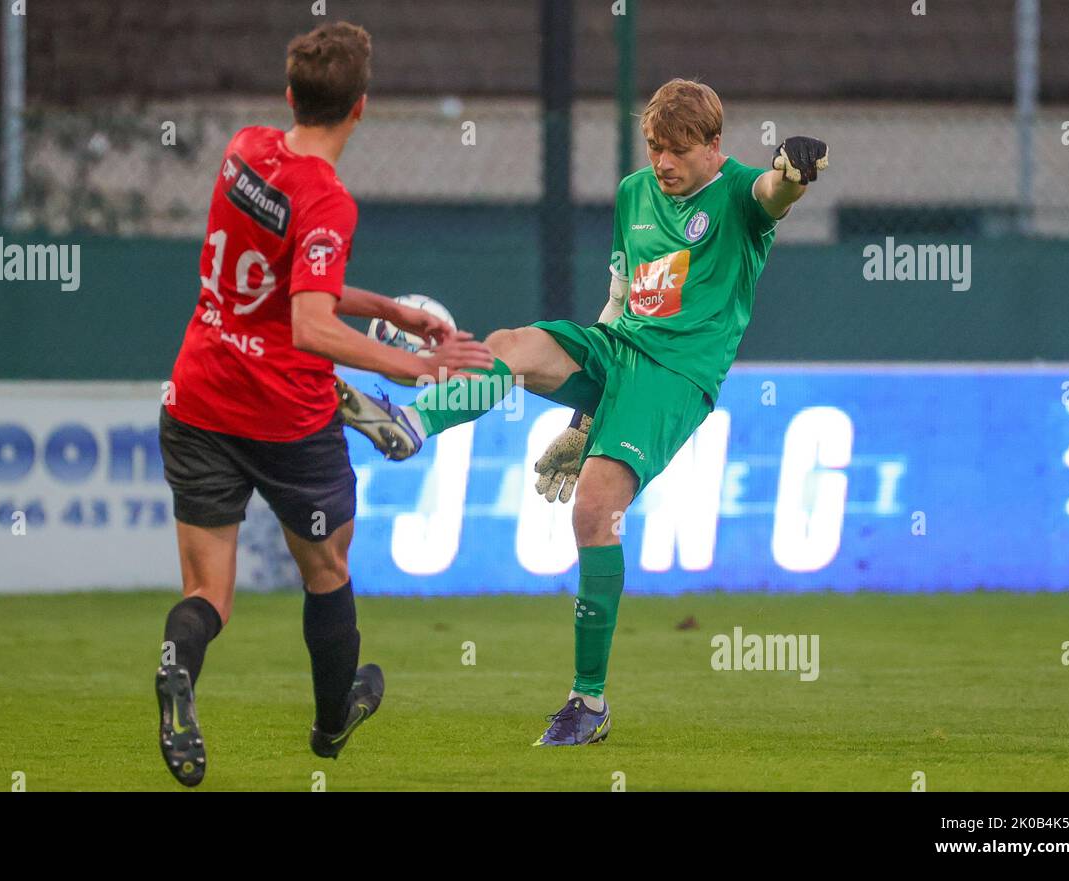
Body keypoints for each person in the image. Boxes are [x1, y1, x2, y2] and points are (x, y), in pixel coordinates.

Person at [339, 78, 828, 746]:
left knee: (593, 512)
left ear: (715, 147)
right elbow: (621, 299)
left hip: (675, 377)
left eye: (680, 149)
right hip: (619, 347)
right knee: (511, 346)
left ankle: (588, 702)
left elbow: (777, 194)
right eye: (656, 146)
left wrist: (792, 172)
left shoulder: (739, 191)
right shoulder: (633, 193)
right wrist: (582, 418)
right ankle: (411, 424)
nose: (664, 162)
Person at [154, 21, 494, 786]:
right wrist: (412, 365)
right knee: (327, 568)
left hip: (199, 394)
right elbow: (309, 320)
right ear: (361, 108)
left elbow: (289, 281)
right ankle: (333, 720)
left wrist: (389, 308)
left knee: (208, 593)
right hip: (284, 417)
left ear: (288, 95)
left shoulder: (243, 149)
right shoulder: (329, 200)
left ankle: (177, 672)